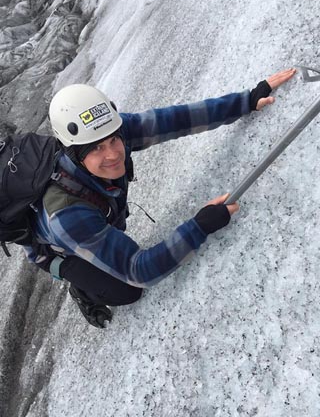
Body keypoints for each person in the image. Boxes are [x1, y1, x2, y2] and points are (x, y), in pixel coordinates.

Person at [25, 68, 296, 328]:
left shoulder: (107, 130)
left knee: (110, 225)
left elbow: (174, 120)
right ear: (75, 155)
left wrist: (245, 101)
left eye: (113, 141)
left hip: (95, 215)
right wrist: (199, 226)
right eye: (96, 148)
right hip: (58, 250)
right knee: (127, 291)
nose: (113, 153)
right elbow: (139, 271)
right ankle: (81, 287)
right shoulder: (68, 215)